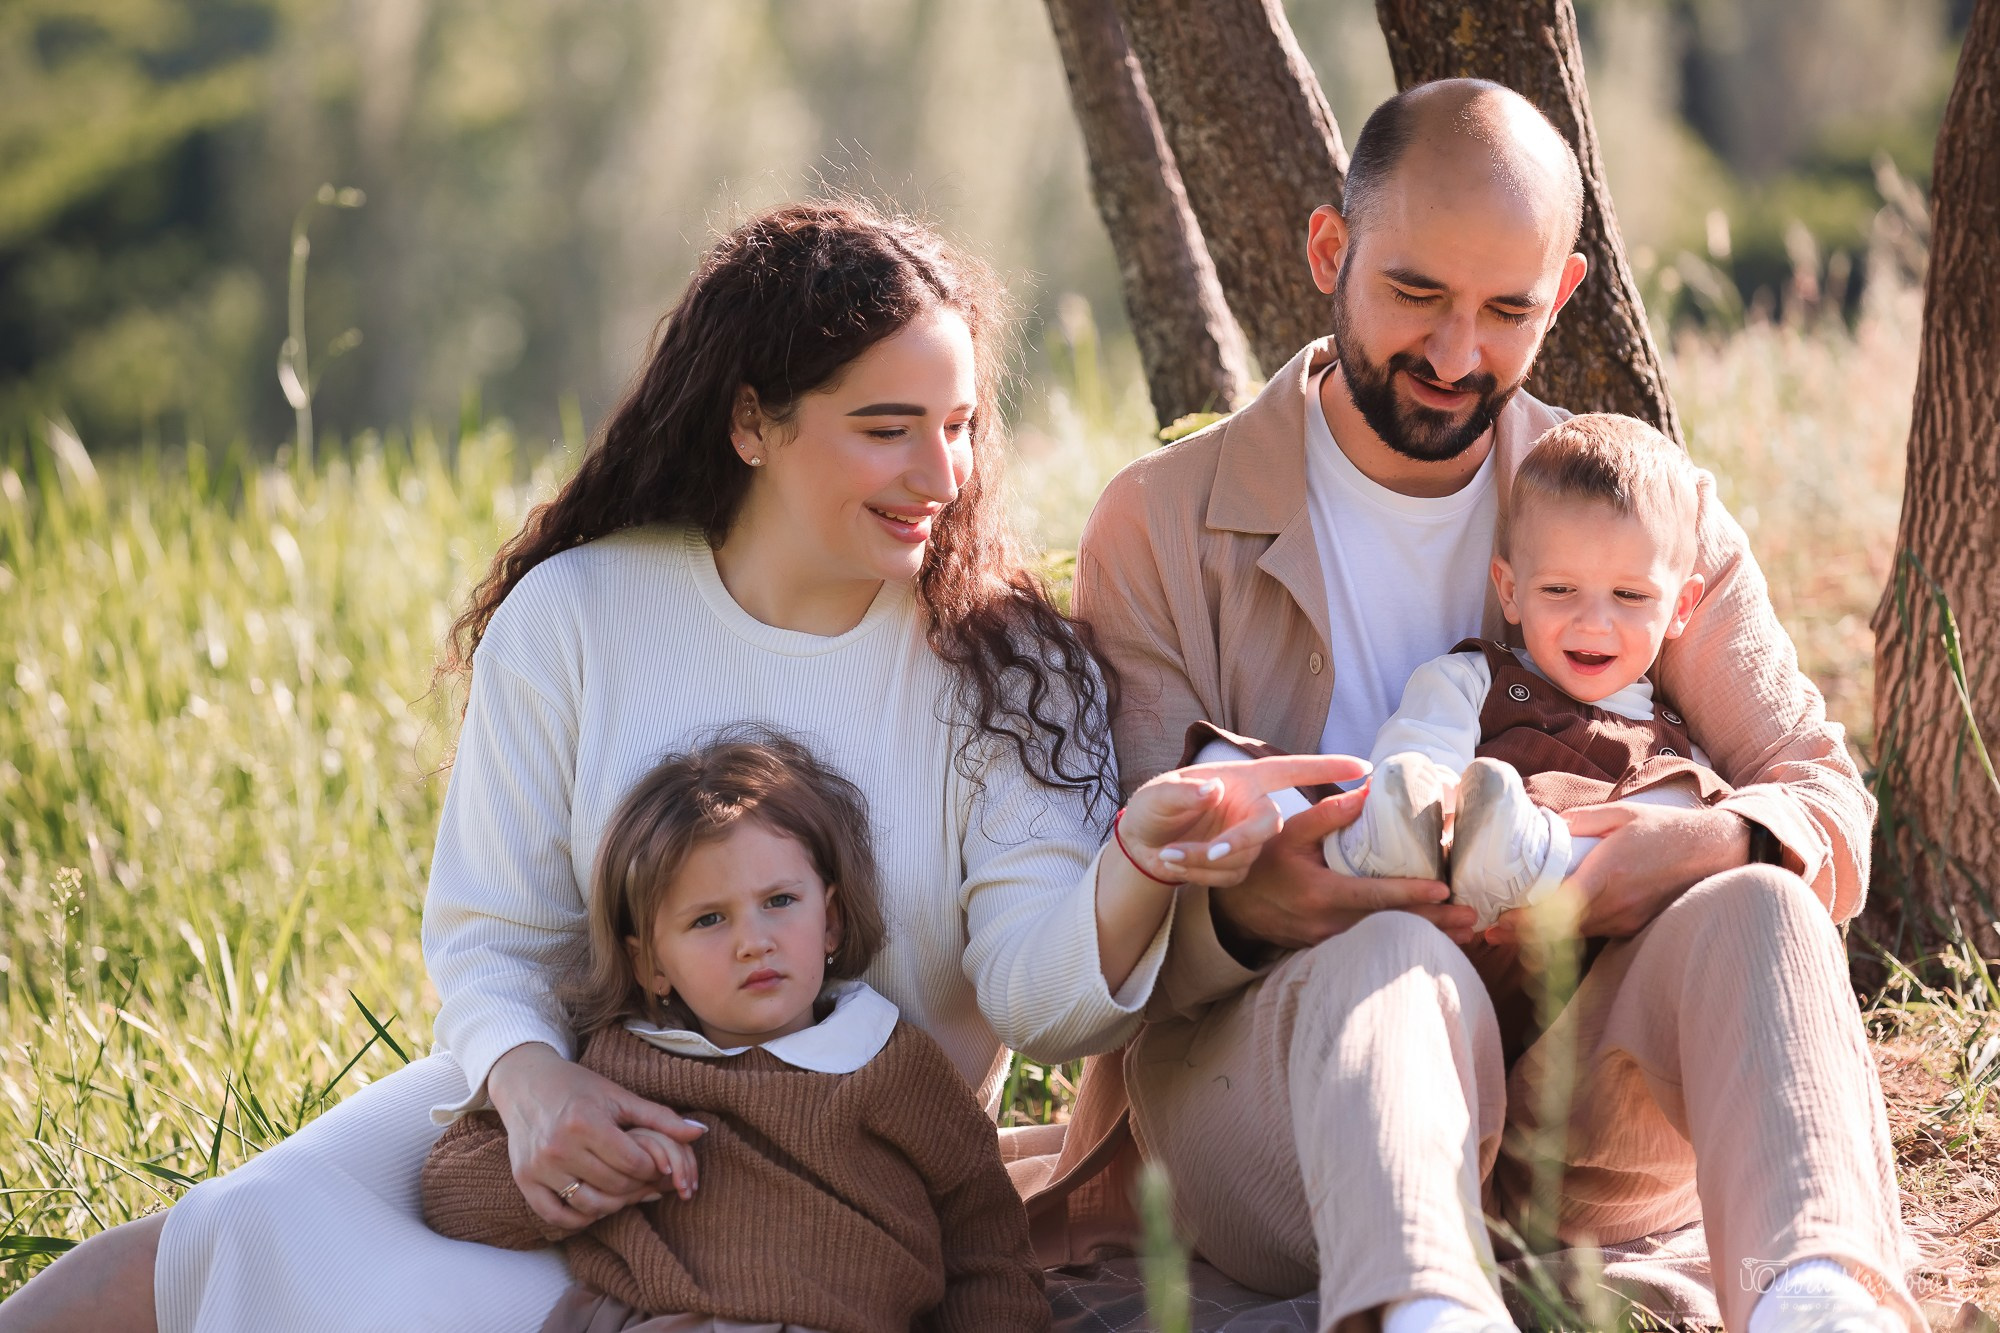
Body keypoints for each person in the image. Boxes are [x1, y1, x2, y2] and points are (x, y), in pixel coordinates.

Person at [0, 199, 1360, 1333]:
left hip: (817, 1177)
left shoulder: (999, 663)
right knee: (237, 1228)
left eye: (957, 425)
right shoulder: (581, 614)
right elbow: (491, 939)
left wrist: (1132, 869)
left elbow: (1040, 1000)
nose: (939, 470)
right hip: (579, 1099)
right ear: (754, 421)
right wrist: (536, 1094)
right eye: (887, 425)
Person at [1069, 80, 1921, 1333]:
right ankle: (1425, 1307)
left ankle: (1818, 1301)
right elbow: (1127, 901)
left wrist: (1677, 848)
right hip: (1281, 1103)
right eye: (1414, 293)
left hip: (1583, 1118)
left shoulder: (1639, 505)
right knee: (1391, 956)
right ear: (1327, 251)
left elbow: (1821, 797)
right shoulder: (1158, 520)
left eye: (1506, 310)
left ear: (1564, 294)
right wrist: (1253, 910)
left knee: (1757, 896)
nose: (1457, 352)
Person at [421, 731, 1051, 1333]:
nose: (754, 942)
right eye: (709, 919)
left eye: (779, 901)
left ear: (829, 922)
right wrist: (595, 1169)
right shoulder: (617, 1070)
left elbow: (987, 1253)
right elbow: (449, 1189)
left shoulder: (895, 1066)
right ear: (651, 964)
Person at [1326, 413, 1730, 933]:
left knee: (1680, 809)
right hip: (1442, 912)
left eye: (1630, 596)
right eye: (1559, 590)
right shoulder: (1475, 679)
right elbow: (1424, 745)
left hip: (1572, 943)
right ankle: (1389, 847)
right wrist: (1425, 802)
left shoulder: (1672, 749)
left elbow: (1682, 849)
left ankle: (1535, 853)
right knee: (1405, 774)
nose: (1593, 622)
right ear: (1510, 590)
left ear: (1680, 607)